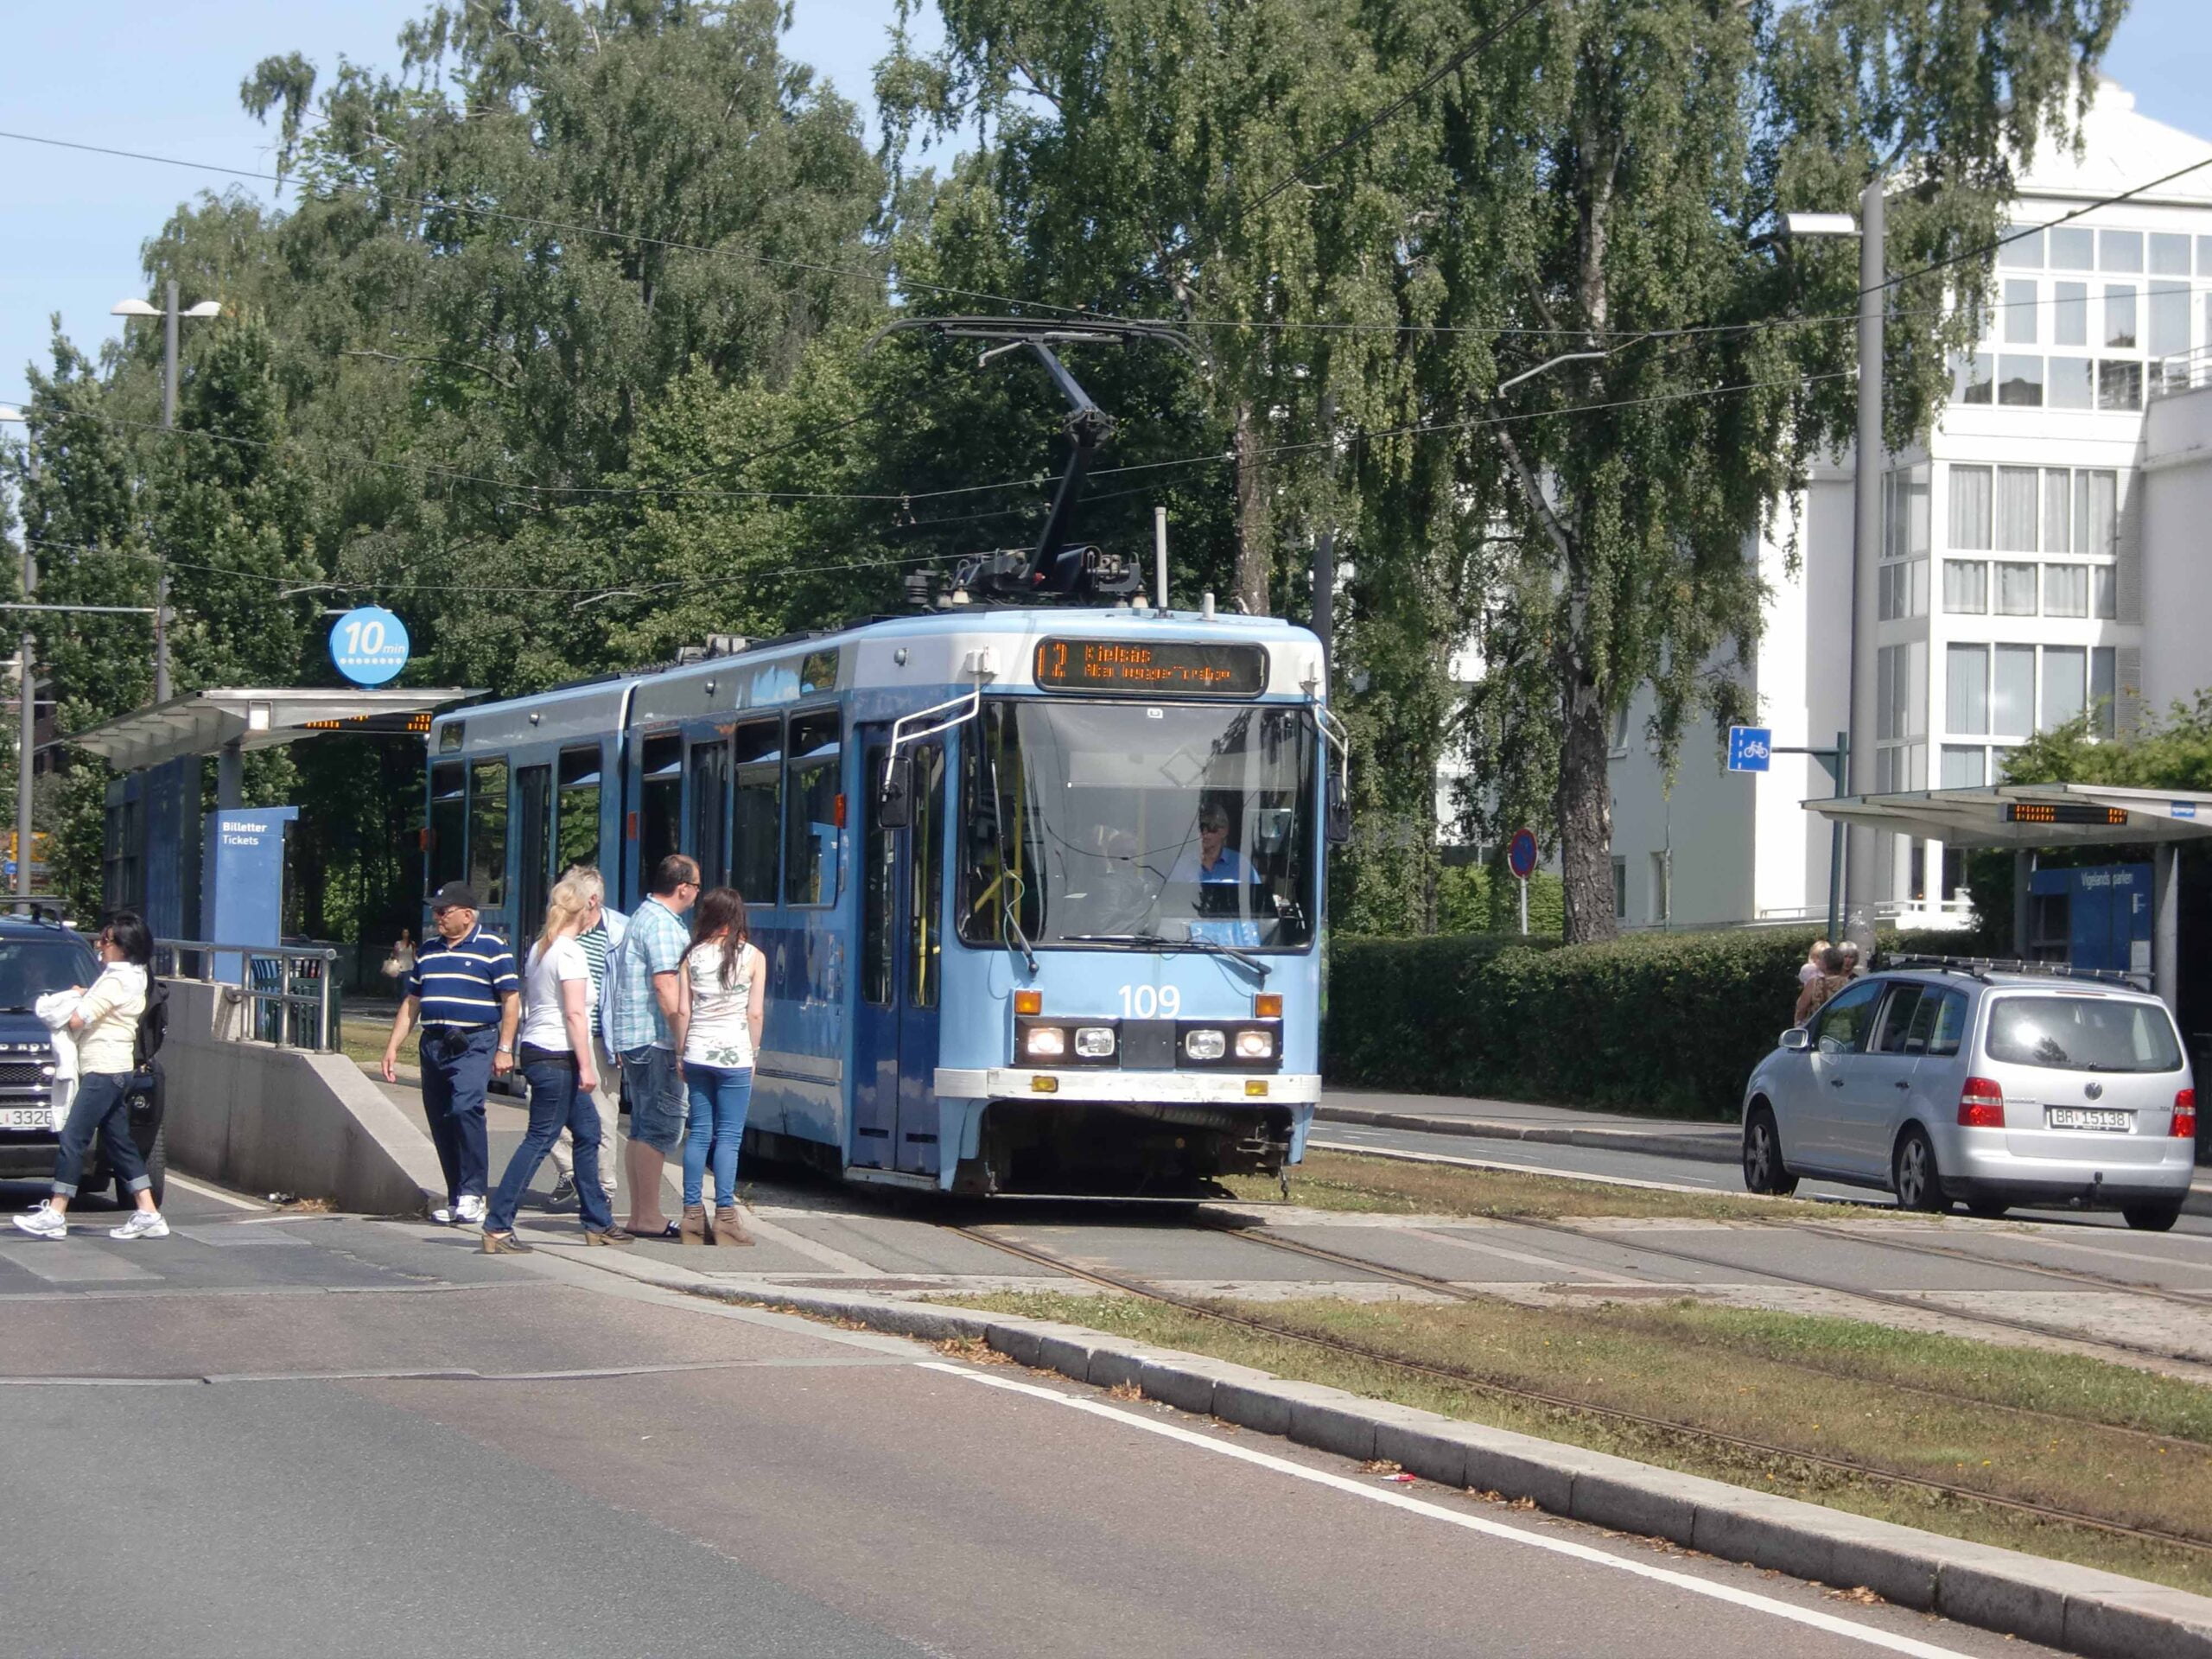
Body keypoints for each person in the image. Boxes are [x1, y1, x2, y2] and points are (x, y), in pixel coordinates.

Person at [480, 878, 632, 1254]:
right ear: (583, 911)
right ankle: (498, 1224)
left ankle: (598, 1221)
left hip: (538, 1049)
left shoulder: (540, 948)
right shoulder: (570, 952)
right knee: (540, 1138)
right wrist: (586, 1066)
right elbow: (576, 1014)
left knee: (588, 1131)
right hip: (558, 1055)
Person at [12, 911, 166, 1241]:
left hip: (102, 1070)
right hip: (118, 1069)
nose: (100, 944)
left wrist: (75, 998)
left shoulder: (114, 979)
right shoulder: (138, 976)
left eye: (106, 940)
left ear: (123, 946)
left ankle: (55, 1212)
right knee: (121, 1144)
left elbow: (77, 1021)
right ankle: (149, 1212)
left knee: (72, 1137)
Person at [381, 882, 520, 1227]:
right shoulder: (428, 951)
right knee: (441, 1119)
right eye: (436, 911)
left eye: (444, 911)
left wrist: (505, 1049)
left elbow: (510, 1000)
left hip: (474, 1041)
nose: (437, 917)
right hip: (434, 1042)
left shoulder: (493, 949)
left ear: (467, 915)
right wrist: (393, 1046)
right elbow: (412, 1002)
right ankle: (457, 1196)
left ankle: (475, 1193)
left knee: (465, 1108)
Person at [605, 854, 699, 1238]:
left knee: (643, 1127)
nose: (696, 893)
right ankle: (647, 1216)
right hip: (656, 1039)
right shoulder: (663, 926)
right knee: (660, 1127)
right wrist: (682, 1043)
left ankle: (642, 1213)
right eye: (696, 886)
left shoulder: (644, 915)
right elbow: (666, 986)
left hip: (637, 1038)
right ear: (683, 888)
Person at [671, 887, 766, 1246]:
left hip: (696, 1054)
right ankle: (725, 1218)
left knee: (698, 1135)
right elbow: (754, 1012)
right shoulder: (754, 957)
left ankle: (692, 1218)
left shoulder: (691, 956)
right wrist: (753, 1054)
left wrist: (681, 1054)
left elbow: (683, 1011)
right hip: (735, 1057)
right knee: (728, 1138)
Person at [547, 865, 626, 1211]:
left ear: (591, 900)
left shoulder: (621, 931)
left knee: (603, 1118)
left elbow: (628, 989)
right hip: (555, 1038)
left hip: (598, 1037)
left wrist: (622, 1037)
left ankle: (603, 1192)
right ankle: (574, 1171)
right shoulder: (560, 931)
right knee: (545, 1112)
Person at [1168, 801, 1255, 886]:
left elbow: (1254, 895)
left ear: (1224, 831)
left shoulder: (1242, 864)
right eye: (1201, 828)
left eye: (1211, 827)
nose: (1205, 834)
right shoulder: (1183, 865)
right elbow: (1172, 895)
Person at [1795, 946, 1851, 1026]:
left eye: (1821, 959)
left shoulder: (1814, 983)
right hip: (1843, 1028)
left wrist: (1798, 1025)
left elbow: (1802, 1007)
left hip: (1820, 1028)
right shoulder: (1849, 983)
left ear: (1825, 965)